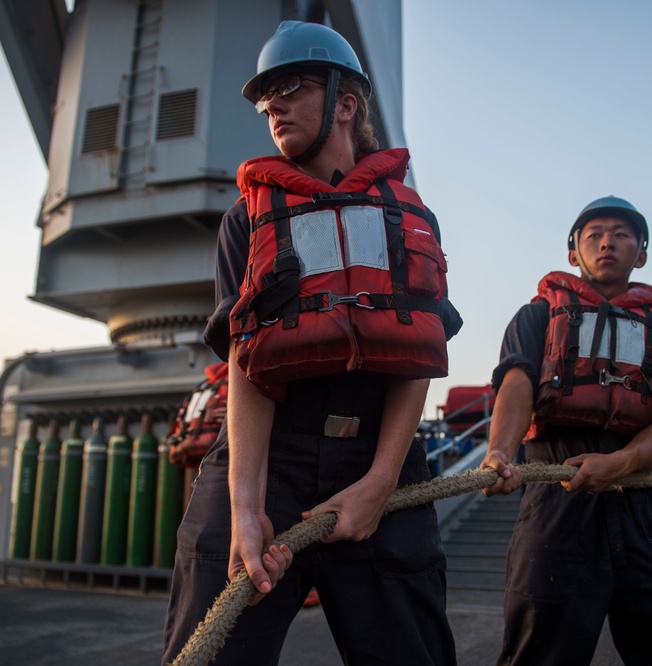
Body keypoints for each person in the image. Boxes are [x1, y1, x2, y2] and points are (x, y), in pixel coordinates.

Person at [161, 21, 462, 665]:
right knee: (214, 647)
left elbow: (418, 357)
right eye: (266, 97)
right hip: (268, 457)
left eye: (291, 87)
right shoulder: (246, 219)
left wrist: (382, 482)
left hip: (380, 453)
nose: (273, 106)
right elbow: (248, 362)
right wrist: (246, 507)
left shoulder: (409, 217)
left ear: (346, 103)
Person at [480, 197, 652, 665]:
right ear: (573, 253)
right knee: (542, 647)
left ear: (640, 254)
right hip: (558, 500)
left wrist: (620, 463)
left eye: (621, 234)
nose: (607, 243)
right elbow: (515, 382)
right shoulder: (537, 316)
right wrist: (499, 452)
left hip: (645, 501)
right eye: (594, 234)